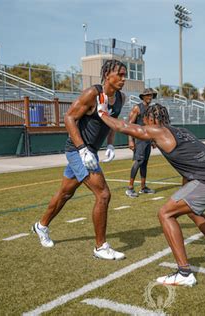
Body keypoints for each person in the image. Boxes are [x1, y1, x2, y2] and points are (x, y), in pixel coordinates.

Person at [97, 101, 205, 286]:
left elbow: (123, 126)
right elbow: (190, 166)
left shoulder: (155, 130)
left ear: (149, 119)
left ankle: (184, 273)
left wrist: (102, 113)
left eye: (145, 121)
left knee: (166, 213)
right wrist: (184, 193)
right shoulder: (182, 131)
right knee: (192, 211)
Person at [32, 59, 127, 260]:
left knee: (65, 193)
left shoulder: (121, 98)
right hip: (78, 150)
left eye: (125, 75)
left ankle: (41, 226)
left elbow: (112, 123)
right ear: (107, 74)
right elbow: (69, 118)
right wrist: (82, 149)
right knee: (103, 194)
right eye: (120, 74)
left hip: (91, 150)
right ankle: (100, 247)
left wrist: (110, 144)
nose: (123, 79)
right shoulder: (93, 93)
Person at [125, 88, 158, 198]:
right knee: (138, 162)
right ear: (143, 97)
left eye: (151, 95)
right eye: (148, 95)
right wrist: (130, 141)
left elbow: (151, 126)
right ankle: (129, 188)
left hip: (148, 140)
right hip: (139, 140)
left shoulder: (152, 109)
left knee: (144, 163)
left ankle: (143, 187)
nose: (150, 97)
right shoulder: (137, 108)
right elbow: (130, 125)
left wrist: (153, 140)